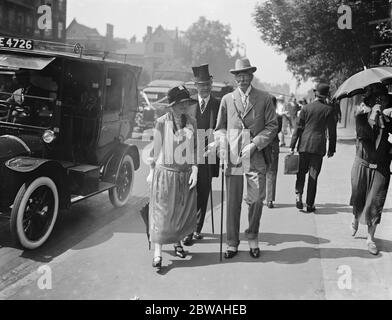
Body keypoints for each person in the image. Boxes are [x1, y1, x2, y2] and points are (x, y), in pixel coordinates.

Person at [208, 58, 278, 259]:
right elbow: (219, 128)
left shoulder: (264, 98)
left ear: (251, 76)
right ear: (235, 78)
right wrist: (221, 142)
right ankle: (231, 242)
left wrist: (255, 144)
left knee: (256, 200)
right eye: (238, 75)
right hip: (233, 157)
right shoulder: (227, 100)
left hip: (255, 157)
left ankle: (253, 237)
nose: (242, 78)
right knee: (232, 202)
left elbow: (272, 126)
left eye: (245, 74)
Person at [147, 86, 199, 270]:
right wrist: (151, 170)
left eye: (186, 102)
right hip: (165, 173)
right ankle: (158, 252)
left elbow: (194, 150)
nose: (184, 106)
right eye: (181, 103)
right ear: (172, 105)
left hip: (184, 174)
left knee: (179, 212)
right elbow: (156, 148)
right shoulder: (162, 122)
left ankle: (177, 243)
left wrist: (195, 170)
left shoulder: (192, 121)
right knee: (162, 213)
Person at [350, 84, 392, 256]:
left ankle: (370, 238)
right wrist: (373, 115)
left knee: (376, 202)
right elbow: (364, 135)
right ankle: (355, 216)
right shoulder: (360, 117)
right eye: (377, 100)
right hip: (362, 165)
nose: (380, 103)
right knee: (359, 198)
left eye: (383, 100)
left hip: (381, 167)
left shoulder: (388, 119)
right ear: (370, 101)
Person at [183, 65, 220, 246]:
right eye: (201, 85)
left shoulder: (218, 104)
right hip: (188, 156)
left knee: (204, 191)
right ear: (195, 85)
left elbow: (223, 128)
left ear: (211, 84)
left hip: (208, 155)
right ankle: (186, 228)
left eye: (207, 84)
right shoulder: (187, 104)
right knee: (189, 192)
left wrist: (217, 142)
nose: (204, 88)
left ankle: (196, 228)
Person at [290, 83, 337, 213]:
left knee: (301, 172)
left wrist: (292, 145)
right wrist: (331, 149)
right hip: (318, 146)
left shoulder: (305, 108)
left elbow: (298, 128)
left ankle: (299, 194)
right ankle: (310, 204)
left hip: (304, 144)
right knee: (313, 175)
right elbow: (332, 132)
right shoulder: (328, 110)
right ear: (326, 95)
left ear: (315, 93)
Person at [266, 96, 283, 209]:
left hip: (262, 145)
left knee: (259, 171)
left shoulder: (260, 116)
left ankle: (257, 197)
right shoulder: (278, 117)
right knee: (272, 172)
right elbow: (279, 130)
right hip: (274, 144)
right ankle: (270, 200)